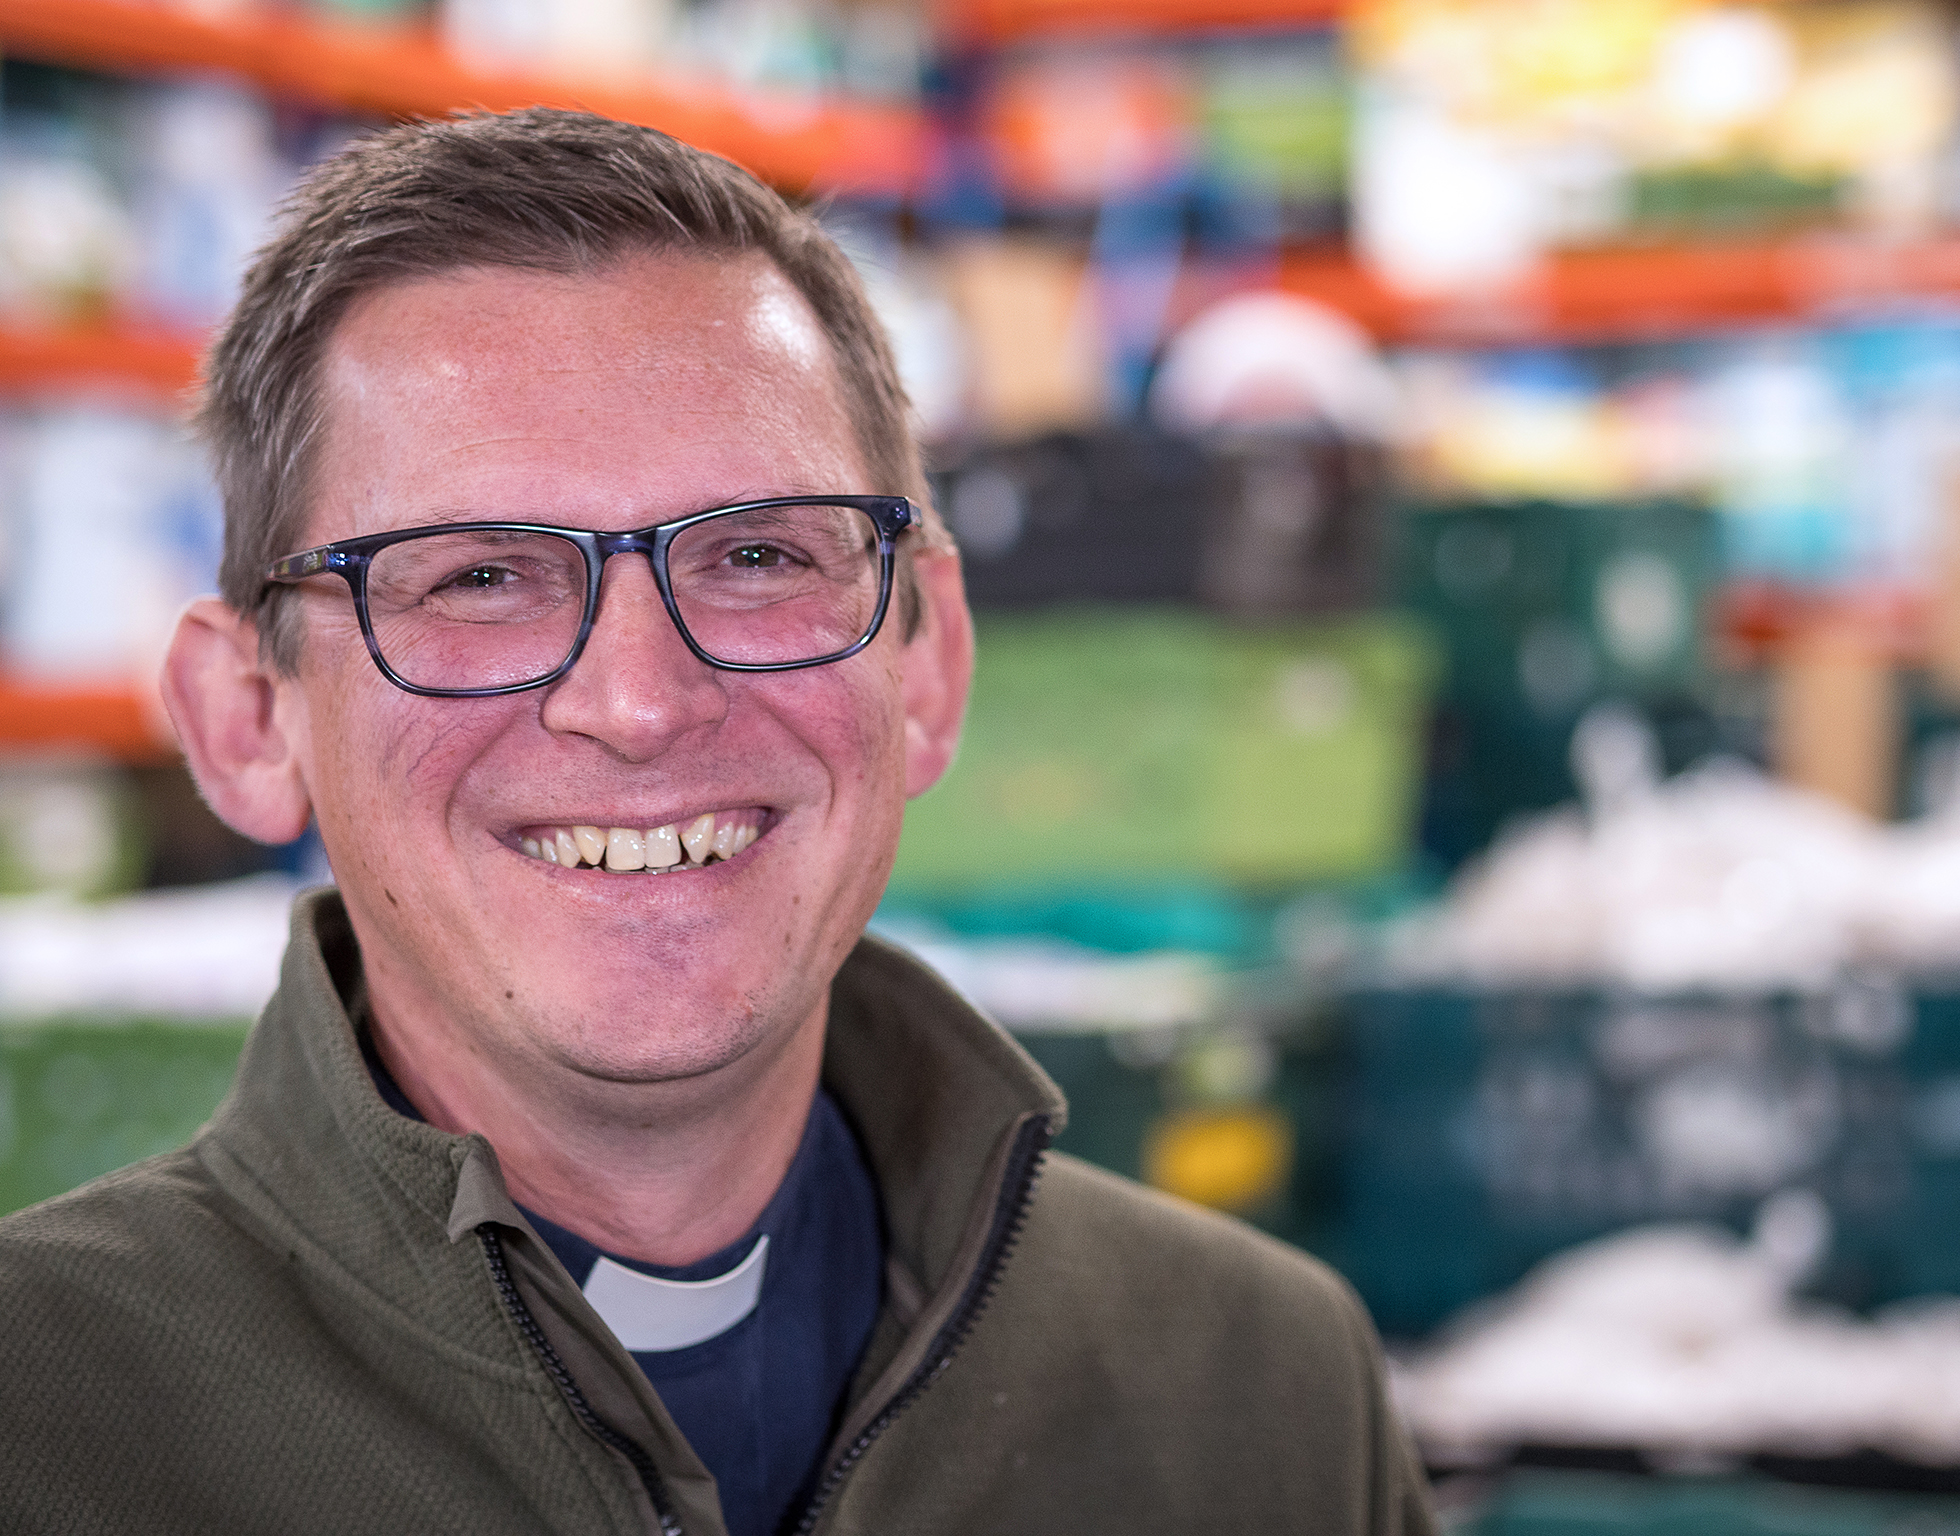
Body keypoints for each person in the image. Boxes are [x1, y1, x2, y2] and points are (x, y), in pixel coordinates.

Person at [0, 109, 1433, 1536]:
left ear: (928, 670)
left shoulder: (1262, 1397)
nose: (638, 701)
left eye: (758, 555)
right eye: (478, 578)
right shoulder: (43, 1430)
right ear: (248, 719)